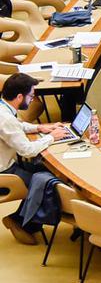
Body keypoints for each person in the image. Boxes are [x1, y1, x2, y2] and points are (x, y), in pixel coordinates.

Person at [0, 74, 68, 245]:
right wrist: (52, 137)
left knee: (46, 172)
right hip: (5, 173)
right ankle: (21, 222)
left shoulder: (4, 108)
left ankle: (22, 219)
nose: (32, 100)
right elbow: (27, 150)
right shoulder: (6, 119)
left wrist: (40, 127)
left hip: (8, 164)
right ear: (19, 97)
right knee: (47, 184)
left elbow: (18, 125)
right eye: (31, 96)